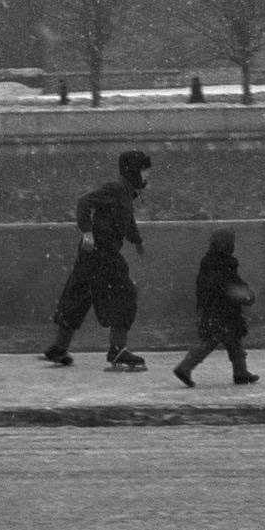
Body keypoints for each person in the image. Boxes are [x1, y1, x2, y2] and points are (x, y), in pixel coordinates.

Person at [44, 149, 151, 371]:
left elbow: (127, 221)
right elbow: (84, 202)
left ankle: (59, 348)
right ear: (133, 171)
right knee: (125, 294)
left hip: (92, 255)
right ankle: (118, 350)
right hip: (103, 252)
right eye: (144, 170)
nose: (147, 176)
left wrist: (137, 240)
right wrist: (87, 232)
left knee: (79, 295)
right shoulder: (116, 189)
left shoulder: (126, 193)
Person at [172, 228, 259, 388]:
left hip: (216, 310)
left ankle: (240, 372)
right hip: (223, 311)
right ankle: (185, 367)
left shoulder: (210, 263)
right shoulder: (223, 264)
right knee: (215, 340)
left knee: (232, 341)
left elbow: (211, 287)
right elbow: (231, 285)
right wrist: (246, 294)